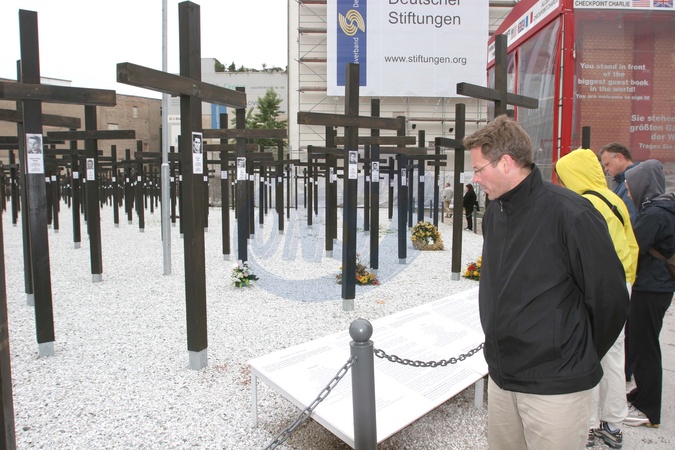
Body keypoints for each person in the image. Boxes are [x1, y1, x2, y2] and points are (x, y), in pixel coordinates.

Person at [463, 115, 629, 450]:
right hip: (503, 377)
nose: (476, 178)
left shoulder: (571, 213)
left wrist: (572, 355)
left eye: (479, 169)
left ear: (506, 163)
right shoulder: (495, 212)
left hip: (556, 387)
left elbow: (610, 300)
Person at [555, 148, 638, 449]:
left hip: (595, 286)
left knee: (586, 353)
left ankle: (587, 425)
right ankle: (613, 424)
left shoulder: (582, 205)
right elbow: (631, 244)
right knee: (614, 355)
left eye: (563, 177)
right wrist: (628, 279)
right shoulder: (613, 198)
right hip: (622, 283)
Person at [623, 159, 675, 429]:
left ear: (643, 185)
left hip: (651, 286)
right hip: (659, 285)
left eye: (631, 187)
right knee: (643, 342)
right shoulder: (664, 207)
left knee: (644, 346)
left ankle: (649, 409)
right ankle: (641, 394)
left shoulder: (655, 213)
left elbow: (633, 245)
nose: (629, 193)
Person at [600, 142, 640, 382]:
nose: (606, 169)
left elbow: (631, 225)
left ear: (621, 157)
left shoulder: (629, 183)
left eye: (608, 163)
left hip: (626, 264)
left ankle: (628, 370)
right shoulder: (620, 185)